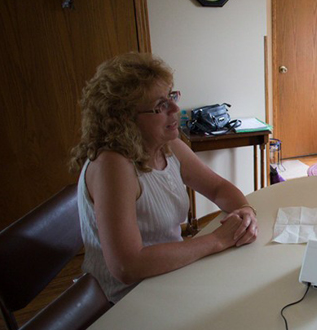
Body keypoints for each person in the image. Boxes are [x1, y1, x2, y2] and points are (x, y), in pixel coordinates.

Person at [69, 52, 258, 303]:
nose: (176, 108)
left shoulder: (168, 146)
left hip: (167, 276)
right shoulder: (112, 165)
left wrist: (245, 210)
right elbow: (128, 266)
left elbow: (217, 188)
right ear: (125, 120)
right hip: (125, 300)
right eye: (160, 106)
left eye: (171, 96)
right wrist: (215, 240)